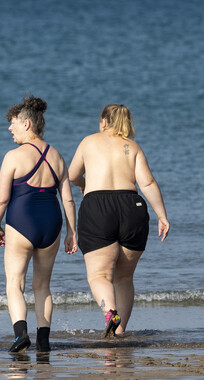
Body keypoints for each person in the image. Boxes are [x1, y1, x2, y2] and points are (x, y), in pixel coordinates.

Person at [66, 104, 170, 338]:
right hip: (131, 206)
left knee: (99, 276)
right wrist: (162, 215)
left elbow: (72, 175)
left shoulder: (88, 142)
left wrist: (83, 185)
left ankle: (111, 313)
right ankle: (119, 333)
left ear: (103, 121)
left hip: (98, 206)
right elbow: (148, 183)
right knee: (124, 277)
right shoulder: (132, 147)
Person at [0, 96, 78, 352]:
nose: (10, 128)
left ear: (27, 124)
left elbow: (1, 199)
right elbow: (69, 200)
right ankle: (43, 340)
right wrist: (72, 231)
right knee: (42, 286)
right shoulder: (58, 157)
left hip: (21, 222)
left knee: (14, 282)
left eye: (14, 123)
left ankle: (20, 335)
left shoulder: (13, 157)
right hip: (52, 224)